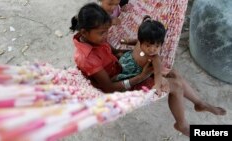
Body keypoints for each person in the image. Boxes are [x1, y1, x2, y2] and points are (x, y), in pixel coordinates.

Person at [70, 2, 226, 137]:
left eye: (107, 31)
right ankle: (182, 124)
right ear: (84, 32)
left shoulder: (96, 40)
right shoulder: (87, 58)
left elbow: (115, 52)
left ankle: (199, 103)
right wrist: (142, 75)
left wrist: (139, 54)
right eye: (102, 33)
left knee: (173, 73)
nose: (106, 36)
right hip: (119, 84)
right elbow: (108, 87)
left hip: (123, 67)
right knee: (175, 85)